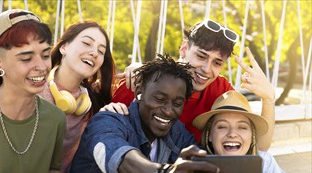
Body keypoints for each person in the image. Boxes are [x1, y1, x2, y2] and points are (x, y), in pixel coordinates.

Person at [70, 54, 236, 173]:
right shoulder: (109, 120)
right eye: (159, 99)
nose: (168, 110)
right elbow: (122, 160)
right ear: (139, 93)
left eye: (177, 103)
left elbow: (204, 167)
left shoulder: (176, 132)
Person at [108, 19, 275, 151]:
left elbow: (259, 148)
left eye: (217, 63)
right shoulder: (141, 82)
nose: (206, 69)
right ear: (183, 49)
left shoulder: (220, 91)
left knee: (266, 166)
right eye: (201, 56)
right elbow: (103, 134)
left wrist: (268, 99)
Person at [0, 9, 85, 173]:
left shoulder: (54, 118)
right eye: (26, 57)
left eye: (45, 55)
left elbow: (43, 171)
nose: (41, 66)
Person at [192, 90, 308, 173]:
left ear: (252, 136)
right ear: (210, 136)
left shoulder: (265, 165)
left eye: (242, 127)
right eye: (222, 126)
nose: (232, 133)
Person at [39, 20, 116, 173]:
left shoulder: (92, 100)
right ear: (64, 47)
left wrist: (135, 69)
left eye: (101, 51)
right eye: (87, 43)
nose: (94, 53)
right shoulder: (33, 87)